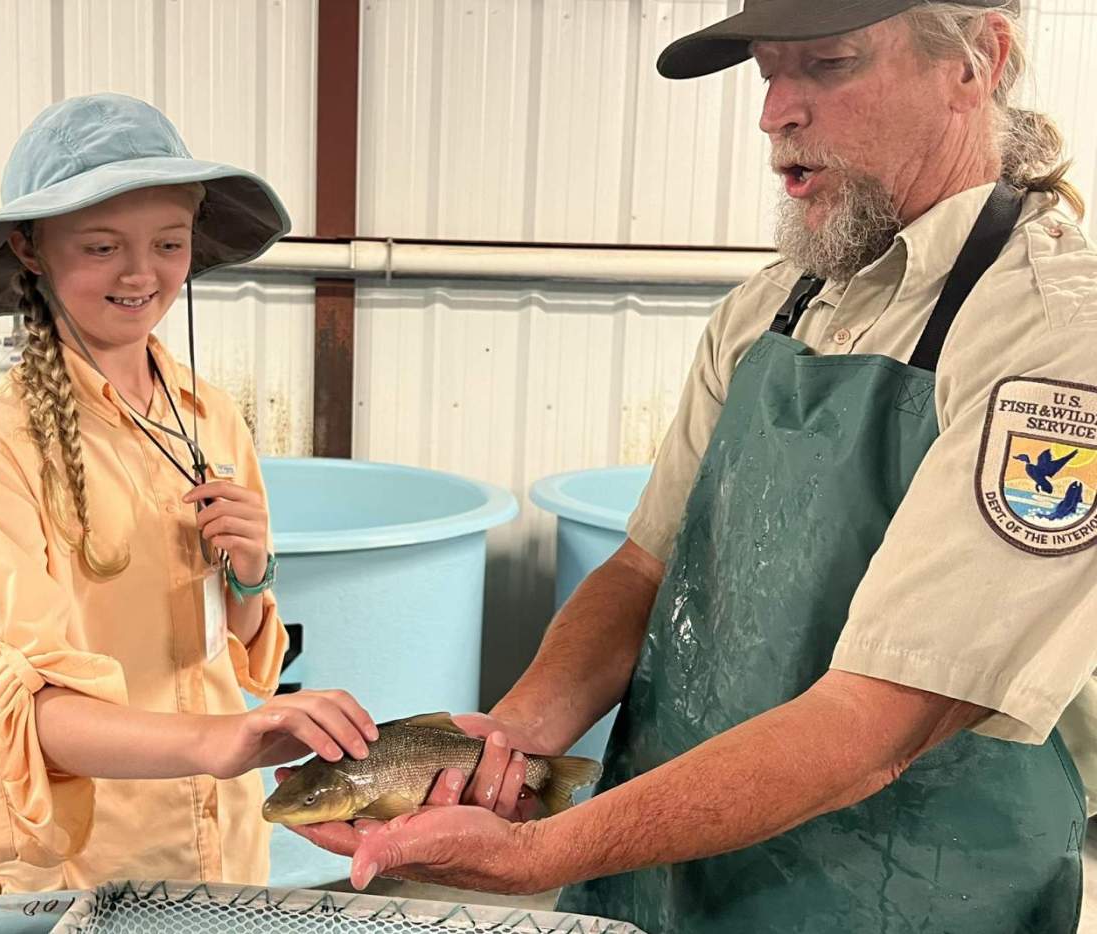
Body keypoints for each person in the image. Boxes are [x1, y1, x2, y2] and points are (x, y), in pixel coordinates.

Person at [288, 3, 1095, 930]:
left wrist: (542, 853)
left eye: (828, 64)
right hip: (674, 868)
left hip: (909, 891)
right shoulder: (773, 310)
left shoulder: (1054, 341)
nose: (774, 113)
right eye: (766, 72)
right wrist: (506, 742)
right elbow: (643, 568)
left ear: (976, 62)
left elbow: (882, 721)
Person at [0, 93, 377, 896]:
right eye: (102, 247)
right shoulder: (0, 447)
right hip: (86, 865)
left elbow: (237, 646)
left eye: (168, 243)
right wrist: (218, 739)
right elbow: (34, 716)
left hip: (223, 840)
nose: (142, 274)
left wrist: (249, 573)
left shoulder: (209, 412)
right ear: (31, 251)